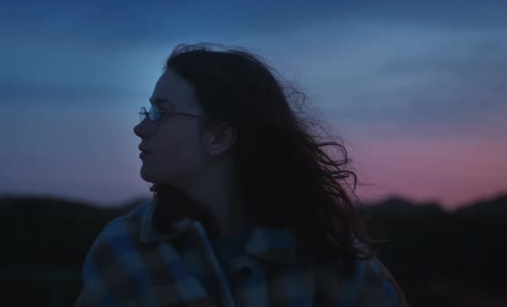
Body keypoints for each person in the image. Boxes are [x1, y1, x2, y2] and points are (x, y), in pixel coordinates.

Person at [75, 43, 408, 306]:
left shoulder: (317, 243)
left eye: (162, 112)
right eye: (148, 111)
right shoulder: (125, 250)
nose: (140, 127)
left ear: (219, 137)